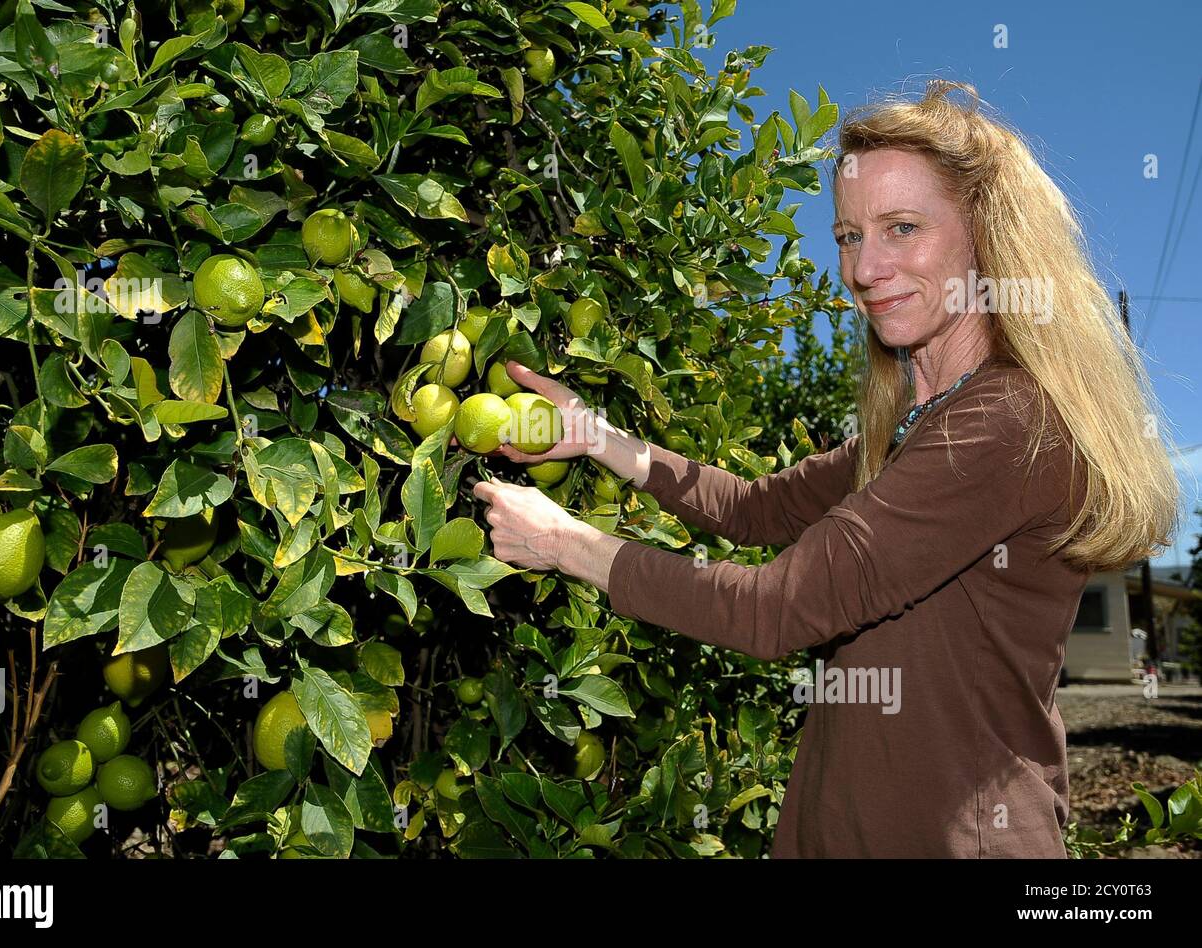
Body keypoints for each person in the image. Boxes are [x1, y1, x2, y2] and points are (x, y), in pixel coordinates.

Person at [468, 79, 1181, 857]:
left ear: (987, 236)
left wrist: (566, 545)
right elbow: (752, 509)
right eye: (848, 236)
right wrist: (598, 437)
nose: (865, 268)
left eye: (902, 228)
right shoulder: (920, 424)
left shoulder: (1006, 424)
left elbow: (775, 611)